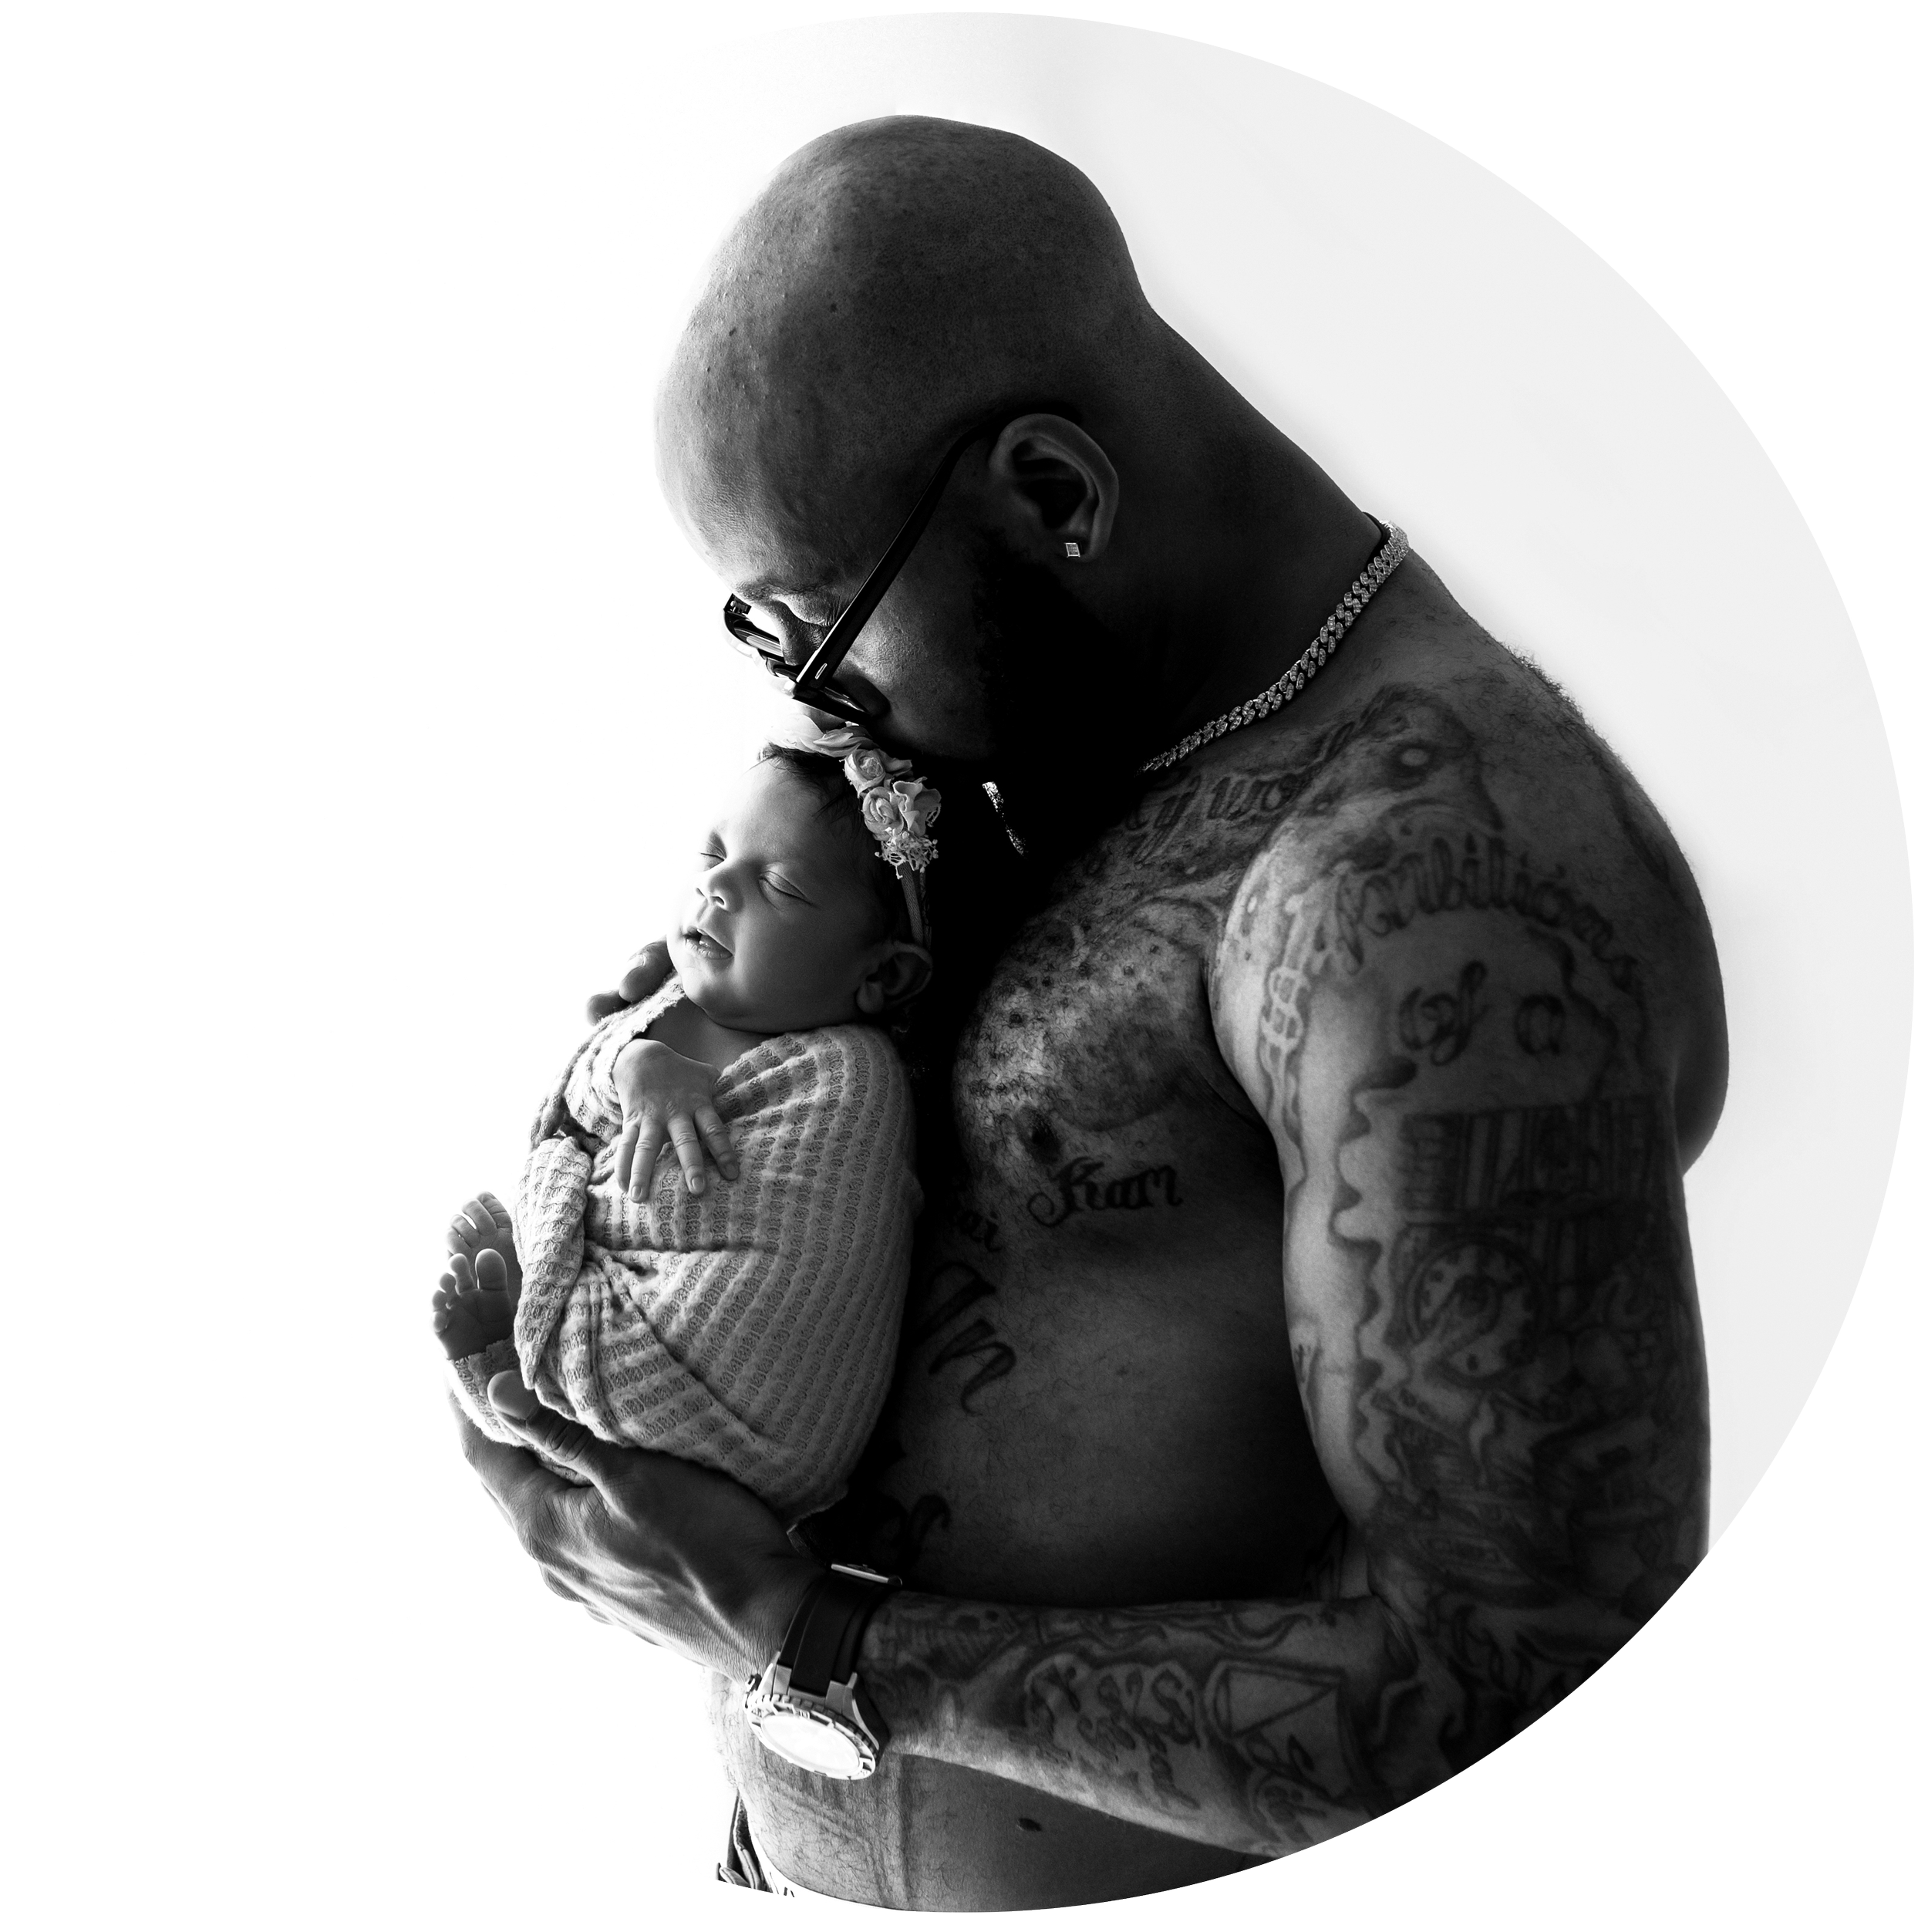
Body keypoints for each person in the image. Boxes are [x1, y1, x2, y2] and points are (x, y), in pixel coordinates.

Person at [452, 116, 1727, 1911]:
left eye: (819, 633)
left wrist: (803, 1635)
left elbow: (1520, 1692)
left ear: (1051, 494)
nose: (819, 704)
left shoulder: (1433, 878)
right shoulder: (1057, 739)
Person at [434, 742, 935, 1523]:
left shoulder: (847, 1076)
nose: (716, 886)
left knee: (546, 1379)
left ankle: (533, 1346)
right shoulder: (666, 998)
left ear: (881, 975)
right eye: (713, 853)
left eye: (779, 886)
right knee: (520, 1397)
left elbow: (803, 1240)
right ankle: (524, 1354)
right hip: (622, 1308)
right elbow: (573, 1107)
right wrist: (636, 1064)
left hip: (738, 1400)